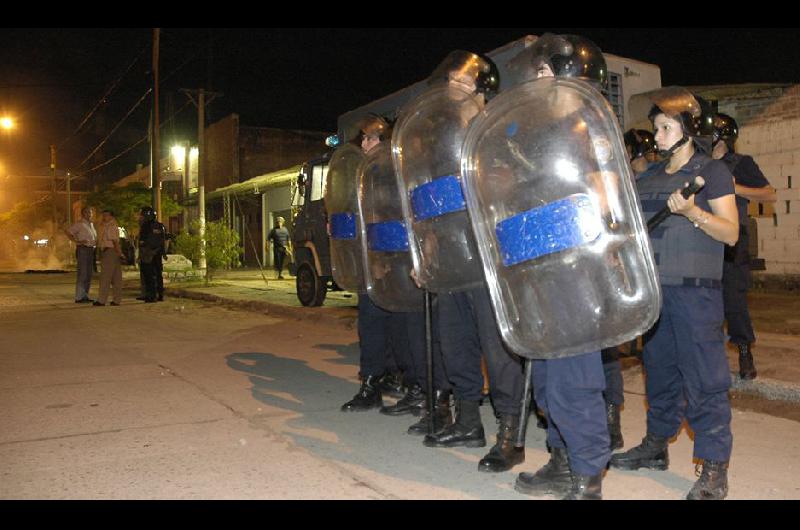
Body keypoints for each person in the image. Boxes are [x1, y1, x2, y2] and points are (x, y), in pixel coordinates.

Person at [609, 87, 739, 501]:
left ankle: (714, 466)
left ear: (688, 130)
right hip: (654, 294)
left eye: (666, 127)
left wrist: (692, 212)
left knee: (705, 380)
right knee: (659, 374)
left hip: (696, 295)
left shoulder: (711, 173)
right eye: (657, 128)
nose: (658, 136)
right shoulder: (648, 177)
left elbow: (731, 233)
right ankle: (655, 446)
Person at [506, 33, 613, 500]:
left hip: (576, 266)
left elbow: (606, 196)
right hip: (543, 262)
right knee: (549, 377)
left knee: (575, 378)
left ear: (566, 73)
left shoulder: (587, 126)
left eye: (545, 70)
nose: (538, 78)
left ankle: (587, 476)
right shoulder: (543, 129)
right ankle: (563, 461)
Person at [341, 115, 422, 414]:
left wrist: (385, 262)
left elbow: (396, 216)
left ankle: (416, 386)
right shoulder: (365, 175)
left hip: (396, 262)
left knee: (404, 329)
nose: (364, 143)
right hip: (371, 260)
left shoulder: (397, 173)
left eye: (371, 138)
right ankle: (373, 382)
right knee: (371, 325)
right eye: (362, 138)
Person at [712, 113, 776, 380]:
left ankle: (743, 351)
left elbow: (769, 193)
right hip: (705, 240)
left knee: (734, 301)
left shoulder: (740, 163)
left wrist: (734, 187)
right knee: (705, 302)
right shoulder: (698, 164)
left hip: (733, 244)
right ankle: (710, 358)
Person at [64, 206, 97, 303]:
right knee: (82, 273)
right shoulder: (79, 224)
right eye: (87, 212)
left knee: (88, 274)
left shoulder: (91, 224)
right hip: (83, 250)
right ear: (83, 214)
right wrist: (77, 241)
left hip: (91, 250)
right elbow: (68, 232)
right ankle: (79, 297)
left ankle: (85, 295)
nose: (90, 214)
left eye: (91, 212)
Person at [93, 209, 124, 307]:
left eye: (107, 215)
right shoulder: (107, 225)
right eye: (103, 215)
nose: (104, 217)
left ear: (111, 216)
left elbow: (115, 241)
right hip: (111, 252)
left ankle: (102, 300)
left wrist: (120, 253)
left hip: (110, 252)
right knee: (116, 277)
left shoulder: (111, 226)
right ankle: (117, 300)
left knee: (105, 277)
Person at [138, 206, 166, 303]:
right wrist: (163, 253)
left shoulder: (145, 226)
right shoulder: (160, 225)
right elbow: (163, 240)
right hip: (158, 253)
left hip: (148, 254)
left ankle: (151, 296)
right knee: (158, 275)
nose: (140, 217)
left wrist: (142, 252)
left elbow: (142, 242)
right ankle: (160, 295)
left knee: (148, 276)